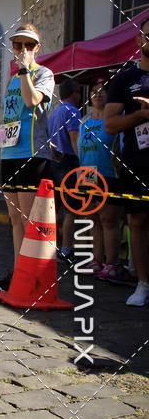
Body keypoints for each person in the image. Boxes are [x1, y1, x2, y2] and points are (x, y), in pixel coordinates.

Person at [0, 24, 55, 292]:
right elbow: (11, 113)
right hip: (11, 152)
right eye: (18, 45)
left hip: (32, 154)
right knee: (15, 219)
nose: (23, 50)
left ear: (37, 48)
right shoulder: (12, 77)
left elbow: (31, 101)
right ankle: (19, 272)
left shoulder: (43, 73)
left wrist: (26, 69)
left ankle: (33, 276)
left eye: (29, 45)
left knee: (30, 220)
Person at [104, 15, 149, 306]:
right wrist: (141, 115)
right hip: (138, 161)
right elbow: (109, 125)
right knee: (137, 221)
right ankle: (143, 284)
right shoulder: (125, 79)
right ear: (139, 40)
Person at [77, 77, 127, 280]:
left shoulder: (116, 119)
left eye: (103, 91)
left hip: (109, 175)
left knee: (109, 220)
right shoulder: (84, 123)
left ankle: (110, 263)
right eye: (94, 91)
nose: (98, 94)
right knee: (93, 218)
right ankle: (97, 260)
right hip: (88, 175)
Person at [48, 78, 83, 263]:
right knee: (71, 208)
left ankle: (49, 247)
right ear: (75, 93)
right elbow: (74, 139)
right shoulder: (73, 111)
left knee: (53, 208)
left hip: (53, 162)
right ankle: (66, 249)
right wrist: (82, 162)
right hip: (68, 162)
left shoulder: (53, 113)